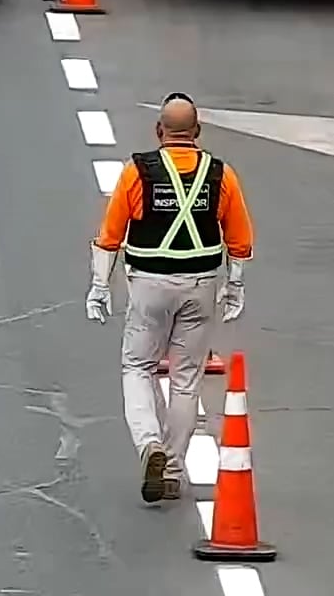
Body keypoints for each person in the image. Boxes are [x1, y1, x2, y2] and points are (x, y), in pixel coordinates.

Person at [86, 93, 254, 505]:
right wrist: (235, 287)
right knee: (185, 379)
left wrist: (99, 285)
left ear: (159, 131)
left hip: (149, 286)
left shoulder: (137, 172)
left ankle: (150, 445)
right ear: (196, 133)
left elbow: (110, 237)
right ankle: (174, 470)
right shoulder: (220, 174)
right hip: (200, 286)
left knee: (138, 367)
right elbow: (240, 240)